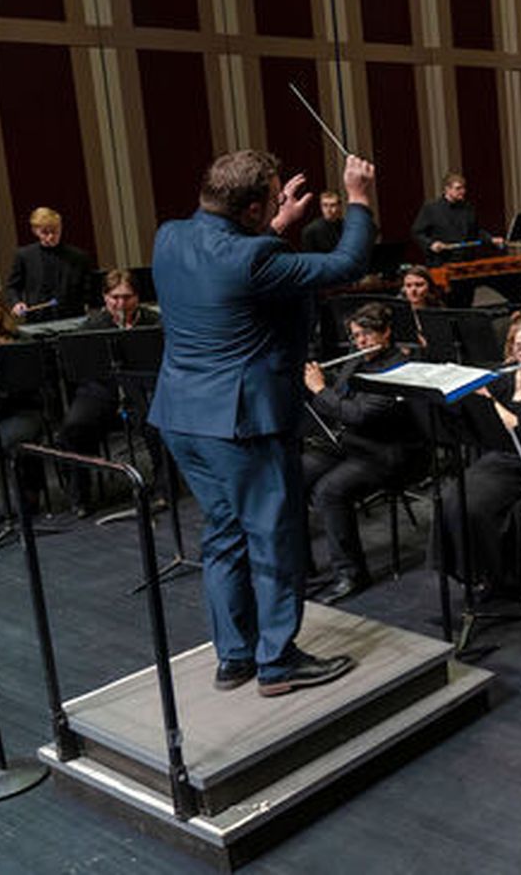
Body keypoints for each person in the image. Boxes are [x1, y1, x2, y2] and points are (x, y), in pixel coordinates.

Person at [150, 149, 375, 697]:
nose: (281, 204)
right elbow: (346, 265)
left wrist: (274, 226)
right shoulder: (256, 257)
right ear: (250, 210)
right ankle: (277, 661)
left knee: (225, 533)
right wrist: (359, 198)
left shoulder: (169, 237)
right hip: (241, 422)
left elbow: (227, 262)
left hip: (182, 417)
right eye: (273, 200)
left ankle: (235, 656)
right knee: (274, 537)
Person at [438, 316, 521, 600]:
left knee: (478, 507)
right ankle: (474, 572)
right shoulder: (506, 375)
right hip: (502, 456)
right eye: (520, 347)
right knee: (452, 496)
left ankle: (507, 575)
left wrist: (490, 401)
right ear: (511, 349)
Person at [301, 303, 425, 603]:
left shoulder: (398, 368)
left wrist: (320, 390)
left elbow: (358, 414)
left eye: (367, 335)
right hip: (350, 443)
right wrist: (324, 390)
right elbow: (338, 404)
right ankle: (300, 565)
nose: (360, 343)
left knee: (329, 491)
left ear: (386, 332)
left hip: (386, 451)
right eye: (356, 336)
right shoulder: (356, 361)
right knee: (294, 475)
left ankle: (351, 574)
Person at [55, 270, 164, 515]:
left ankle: (163, 489)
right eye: (115, 297)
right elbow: (76, 368)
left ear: (138, 297)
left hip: (141, 389)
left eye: (127, 297)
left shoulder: (152, 322)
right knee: (73, 427)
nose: (121, 304)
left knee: (158, 425)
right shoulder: (92, 326)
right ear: (105, 298)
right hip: (101, 391)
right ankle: (79, 496)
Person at [0, 283, 49, 516]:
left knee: (15, 439)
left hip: (18, 409)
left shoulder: (19, 341)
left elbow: (35, 383)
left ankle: (29, 497)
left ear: (2, 310)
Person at [7, 206, 94, 322]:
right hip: (38, 319)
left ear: (61, 227)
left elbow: (89, 291)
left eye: (55, 231)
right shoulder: (25, 256)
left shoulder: (78, 257)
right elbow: (13, 286)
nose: (51, 236)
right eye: (45, 232)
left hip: (72, 317)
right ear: (35, 231)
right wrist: (17, 303)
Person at [411, 172, 504, 265]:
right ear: (447, 189)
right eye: (458, 188)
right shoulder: (431, 208)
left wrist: (491, 239)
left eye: (464, 188)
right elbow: (417, 232)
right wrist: (431, 244)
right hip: (441, 261)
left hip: (466, 260)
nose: (462, 191)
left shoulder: (468, 208)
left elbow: (476, 231)